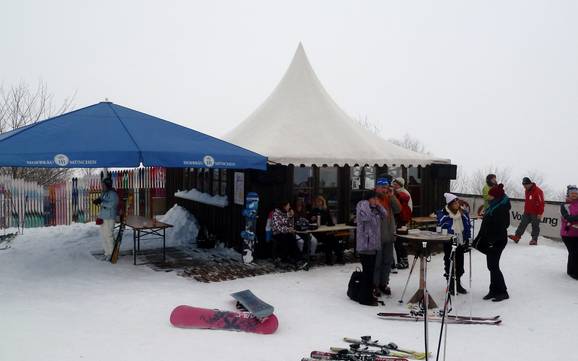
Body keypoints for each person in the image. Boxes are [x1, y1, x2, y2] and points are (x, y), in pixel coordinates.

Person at [474, 184, 511, 301]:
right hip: (491, 241)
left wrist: (491, 241)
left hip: (497, 241)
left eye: (490, 194)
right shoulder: (494, 205)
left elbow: (502, 226)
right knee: (492, 266)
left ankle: (502, 292)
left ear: (495, 196)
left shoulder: (501, 208)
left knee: (493, 266)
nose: (488, 196)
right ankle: (493, 290)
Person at [355, 191, 387, 306]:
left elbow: (385, 214)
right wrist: (365, 202)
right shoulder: (362, 206)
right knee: (367, 272)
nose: (376, 200)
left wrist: (378, 205)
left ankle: (368, 295)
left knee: (370, 272)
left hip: (373, 246)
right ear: (368, 199)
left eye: (376, 198)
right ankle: (364, 298)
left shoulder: (375, 209)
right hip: (365, 245)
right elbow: (366, 218)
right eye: (374, 198)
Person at [437, 192, 472, 295]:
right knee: (449, 262)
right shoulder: (444, 214)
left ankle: (458, 283)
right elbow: (442, 225)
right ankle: (451, 284)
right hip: (450, 241)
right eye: (454, 202)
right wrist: (450, 232)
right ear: (450, 204)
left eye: (457, 201)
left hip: (461, 240)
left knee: (460, 264)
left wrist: (468, 239)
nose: (457, 203)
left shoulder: (463, 213)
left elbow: (468, 226)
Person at [374, 177, 401, 296]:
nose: (385, 190)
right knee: (376, 263)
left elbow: (398, 209)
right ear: (377, 187)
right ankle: (374, 285)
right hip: (377, 237)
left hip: (389, 235)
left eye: (386, 188)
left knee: (387, 262)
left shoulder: (389, 198)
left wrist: (392, 196)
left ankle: (383, 284)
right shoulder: (373, 199)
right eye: (382, 187)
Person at [509, 177, 545, 245]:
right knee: (522, 224)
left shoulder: (538, 191)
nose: (524, 187)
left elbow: (541, 203)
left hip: (536, 212)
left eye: (525, 185)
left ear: (530, 184)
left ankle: (534, 240)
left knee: (535, 226)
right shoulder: (526, 191)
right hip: (527, 212)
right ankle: (517, 237)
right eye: (523, 186)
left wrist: (540, 213)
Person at [93, 177, 119, 261]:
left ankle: (112, 254)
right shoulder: (104, 193)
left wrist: (102, 202)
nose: (102, 186)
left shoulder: (113, 194)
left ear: (107, 184)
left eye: (103, 184)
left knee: (109, 236)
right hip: (103, 217)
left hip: (109, 217)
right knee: (103, 236)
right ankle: (107, 253)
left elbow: (112, 204)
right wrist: (98, 200)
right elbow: (102, 201)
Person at [310, 195, 342, 265]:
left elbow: (330, 221)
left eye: (320, 201)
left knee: (332, 238)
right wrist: (312, 219)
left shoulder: (326, 210)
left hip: (325, 231)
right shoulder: (314, 210)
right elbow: (310, 222)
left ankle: (337, 257)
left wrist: (331, 225)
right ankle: (333, 258)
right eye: (317, 202)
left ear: (323, 202)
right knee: (330, 239)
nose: (319, 203)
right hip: (317, 232)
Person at [392, 177, 412, 269]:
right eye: (393, 183)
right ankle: (400, 260)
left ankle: (404, 261)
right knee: (398, 241)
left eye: (395, 184)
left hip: (402, 220)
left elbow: (406, 208)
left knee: (400, 241)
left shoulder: (403, 194)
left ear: (400, 185)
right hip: (400, 220)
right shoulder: (398, 193)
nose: (394, 185)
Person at [271, 200, 298, 266]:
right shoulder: (275, 214)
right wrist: (288, 229)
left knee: (292, 238)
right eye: (288, 206)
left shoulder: (287, 213)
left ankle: (295, 258)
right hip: (277, 233)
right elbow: (278, 227)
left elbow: (290, 225)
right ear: (284, 206)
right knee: (286, 239)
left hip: (286, 232)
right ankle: (281, 258)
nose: (289, 207)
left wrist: (291, 217)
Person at [560, 185, 578, 280]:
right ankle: (574, 273)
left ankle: (570, 271)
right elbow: (568, 218)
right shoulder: (564, 205)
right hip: (567, 234)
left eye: (576, 193)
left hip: (577, 233)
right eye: (572, 193)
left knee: (574, 253)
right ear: (569, 194)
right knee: (574, 252)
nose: (574, 195)